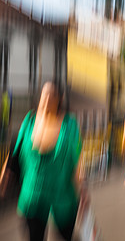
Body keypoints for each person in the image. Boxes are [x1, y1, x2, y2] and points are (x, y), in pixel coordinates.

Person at [0, 82, 86, 241]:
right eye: (45, 94)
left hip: (63, 194)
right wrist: (4, 176)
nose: (47, 98)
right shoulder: (29, 121)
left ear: (60, 99)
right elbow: (15, 153)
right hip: (33, 194)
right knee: (34, 237)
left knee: (65, 236)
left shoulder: (70, 125)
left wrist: (82, 190)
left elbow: (77, 159)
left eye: (52, 95)